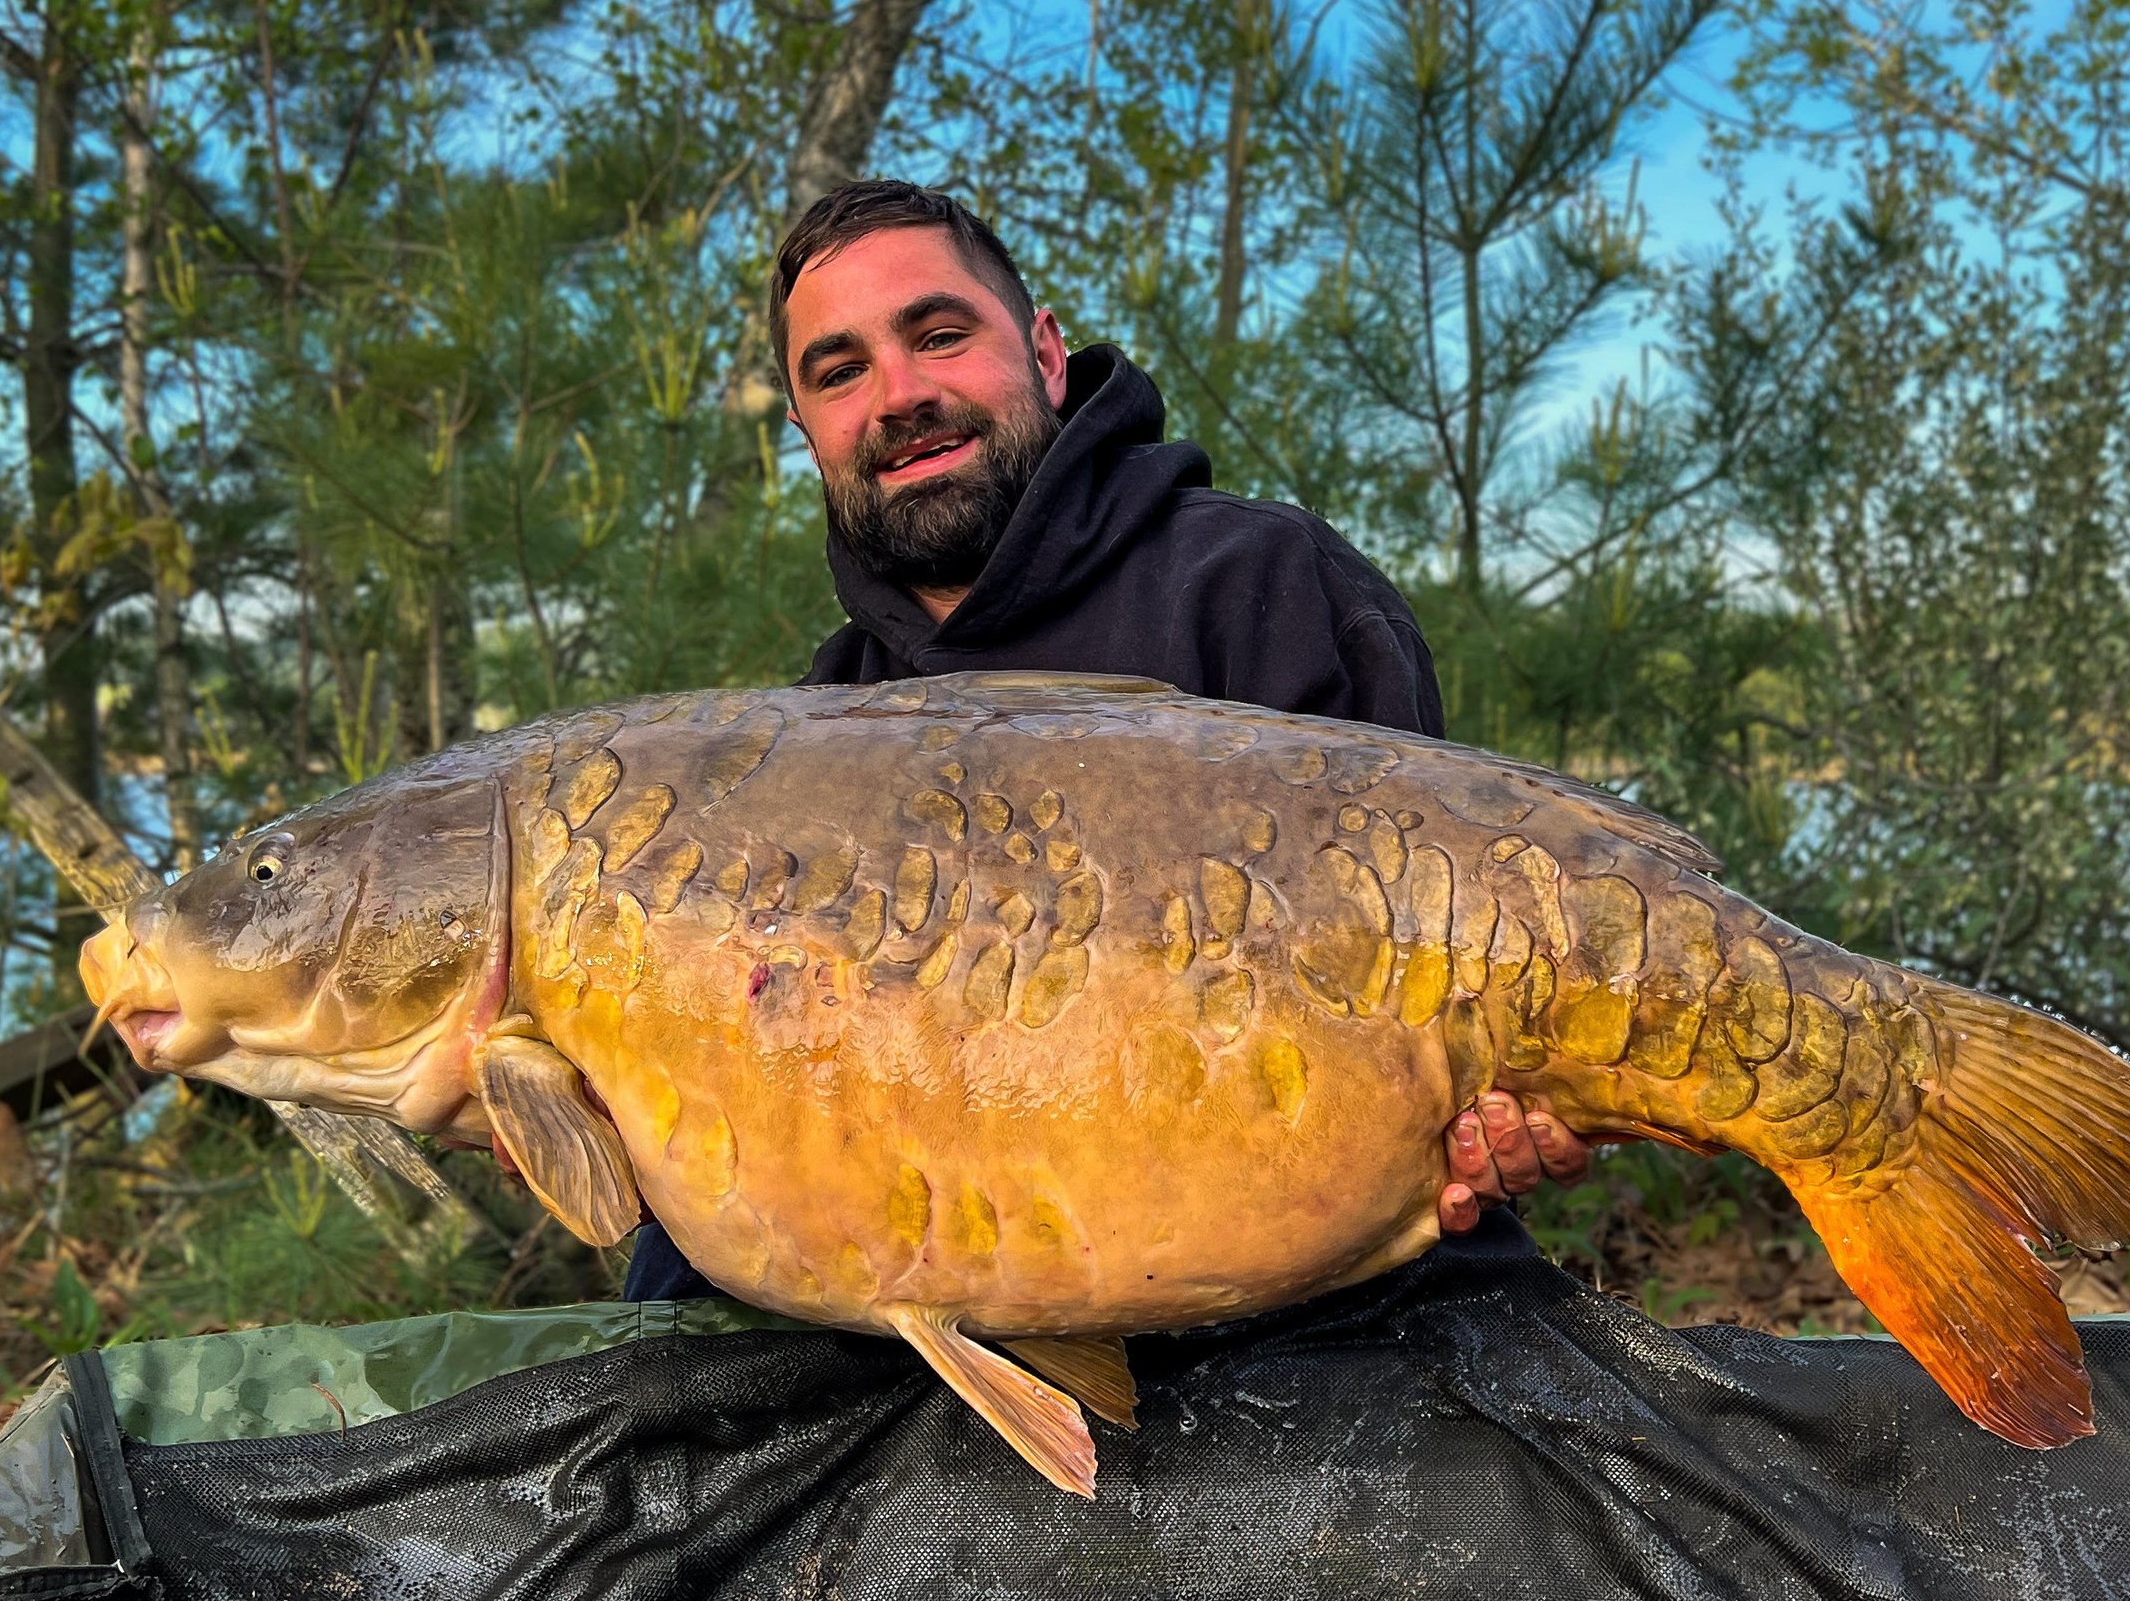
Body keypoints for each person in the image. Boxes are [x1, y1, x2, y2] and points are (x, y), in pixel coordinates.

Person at [624, 178, 1592, 1302]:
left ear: (1043, 351)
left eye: (939, 335)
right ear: (808, 433)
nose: (899, 394)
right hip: (968, 1288)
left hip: (1304, 1288)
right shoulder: (812, 730)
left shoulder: (1263, 583)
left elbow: (1447, 979)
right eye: (839, 372)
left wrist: (1495, 1115)